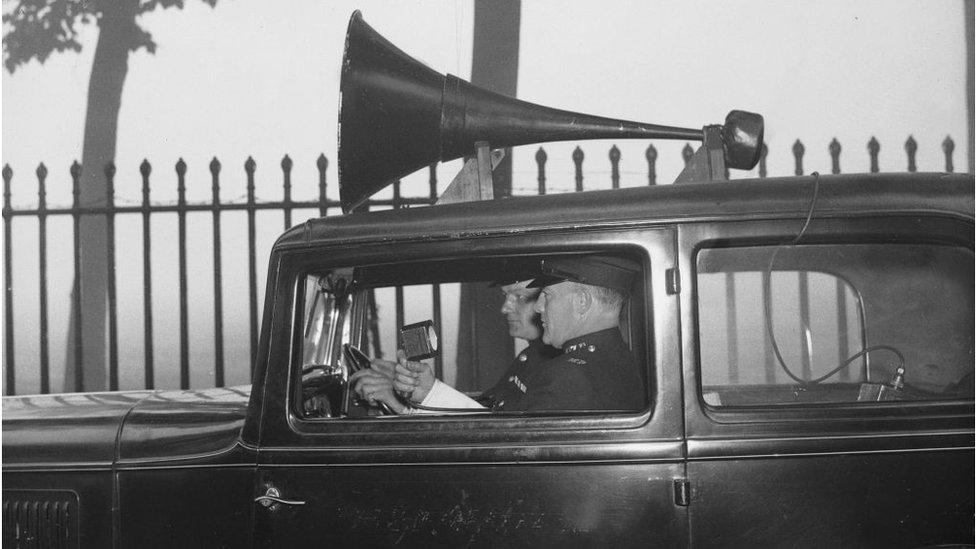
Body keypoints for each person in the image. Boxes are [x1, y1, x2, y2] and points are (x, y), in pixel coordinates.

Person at [349, 278, 560, 413]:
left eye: (520, 297)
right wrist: (404, 399)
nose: (505, 308)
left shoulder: (556, 366)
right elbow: (488, 411)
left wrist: (422, 397)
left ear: (547, 301)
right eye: (506, 296)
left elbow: (501, 435)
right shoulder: (532, 356)